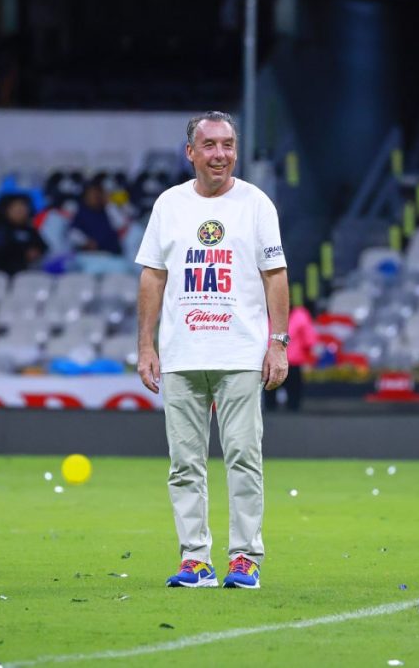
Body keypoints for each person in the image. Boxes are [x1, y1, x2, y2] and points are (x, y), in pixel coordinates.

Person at [135, 111, 289, 590]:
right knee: (185, 465)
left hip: (239, 353)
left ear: (235, 152)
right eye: (209, 145)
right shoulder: (169, 204)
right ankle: (195, 561)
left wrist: (277, 344)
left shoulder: (256, 203)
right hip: (181, 354)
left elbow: (275, 276)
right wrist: (146, 345)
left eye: (227, 145)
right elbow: (153, 275)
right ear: (191, 153)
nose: (219, 154)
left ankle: (245, 558)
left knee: (244, 456)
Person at [263, 303, 318, 412]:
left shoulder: (299, 316)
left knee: (289, 398)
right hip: (275, 361)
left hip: (290, 363)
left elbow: (309, 340)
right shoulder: (267, 315)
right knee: (273, 398)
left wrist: (309, 358)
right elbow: (309, 340)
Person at [0, 195, 47, 275]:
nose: (20, 211)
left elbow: (43, 246)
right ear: (7, 210)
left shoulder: (29, 229)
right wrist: (23, 252)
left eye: (23, 208)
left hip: (21, 272)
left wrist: (36, 252)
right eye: (16, 208)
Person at [69, 179, 124, 255]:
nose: (95, 197)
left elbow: (120, 224)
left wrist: (108, 204)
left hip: (112, 254)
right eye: (91, 194)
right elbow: (73, 233)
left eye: (97, 193)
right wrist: (86, 242)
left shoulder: (107, 209)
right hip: (91, 255)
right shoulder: (82, 212)